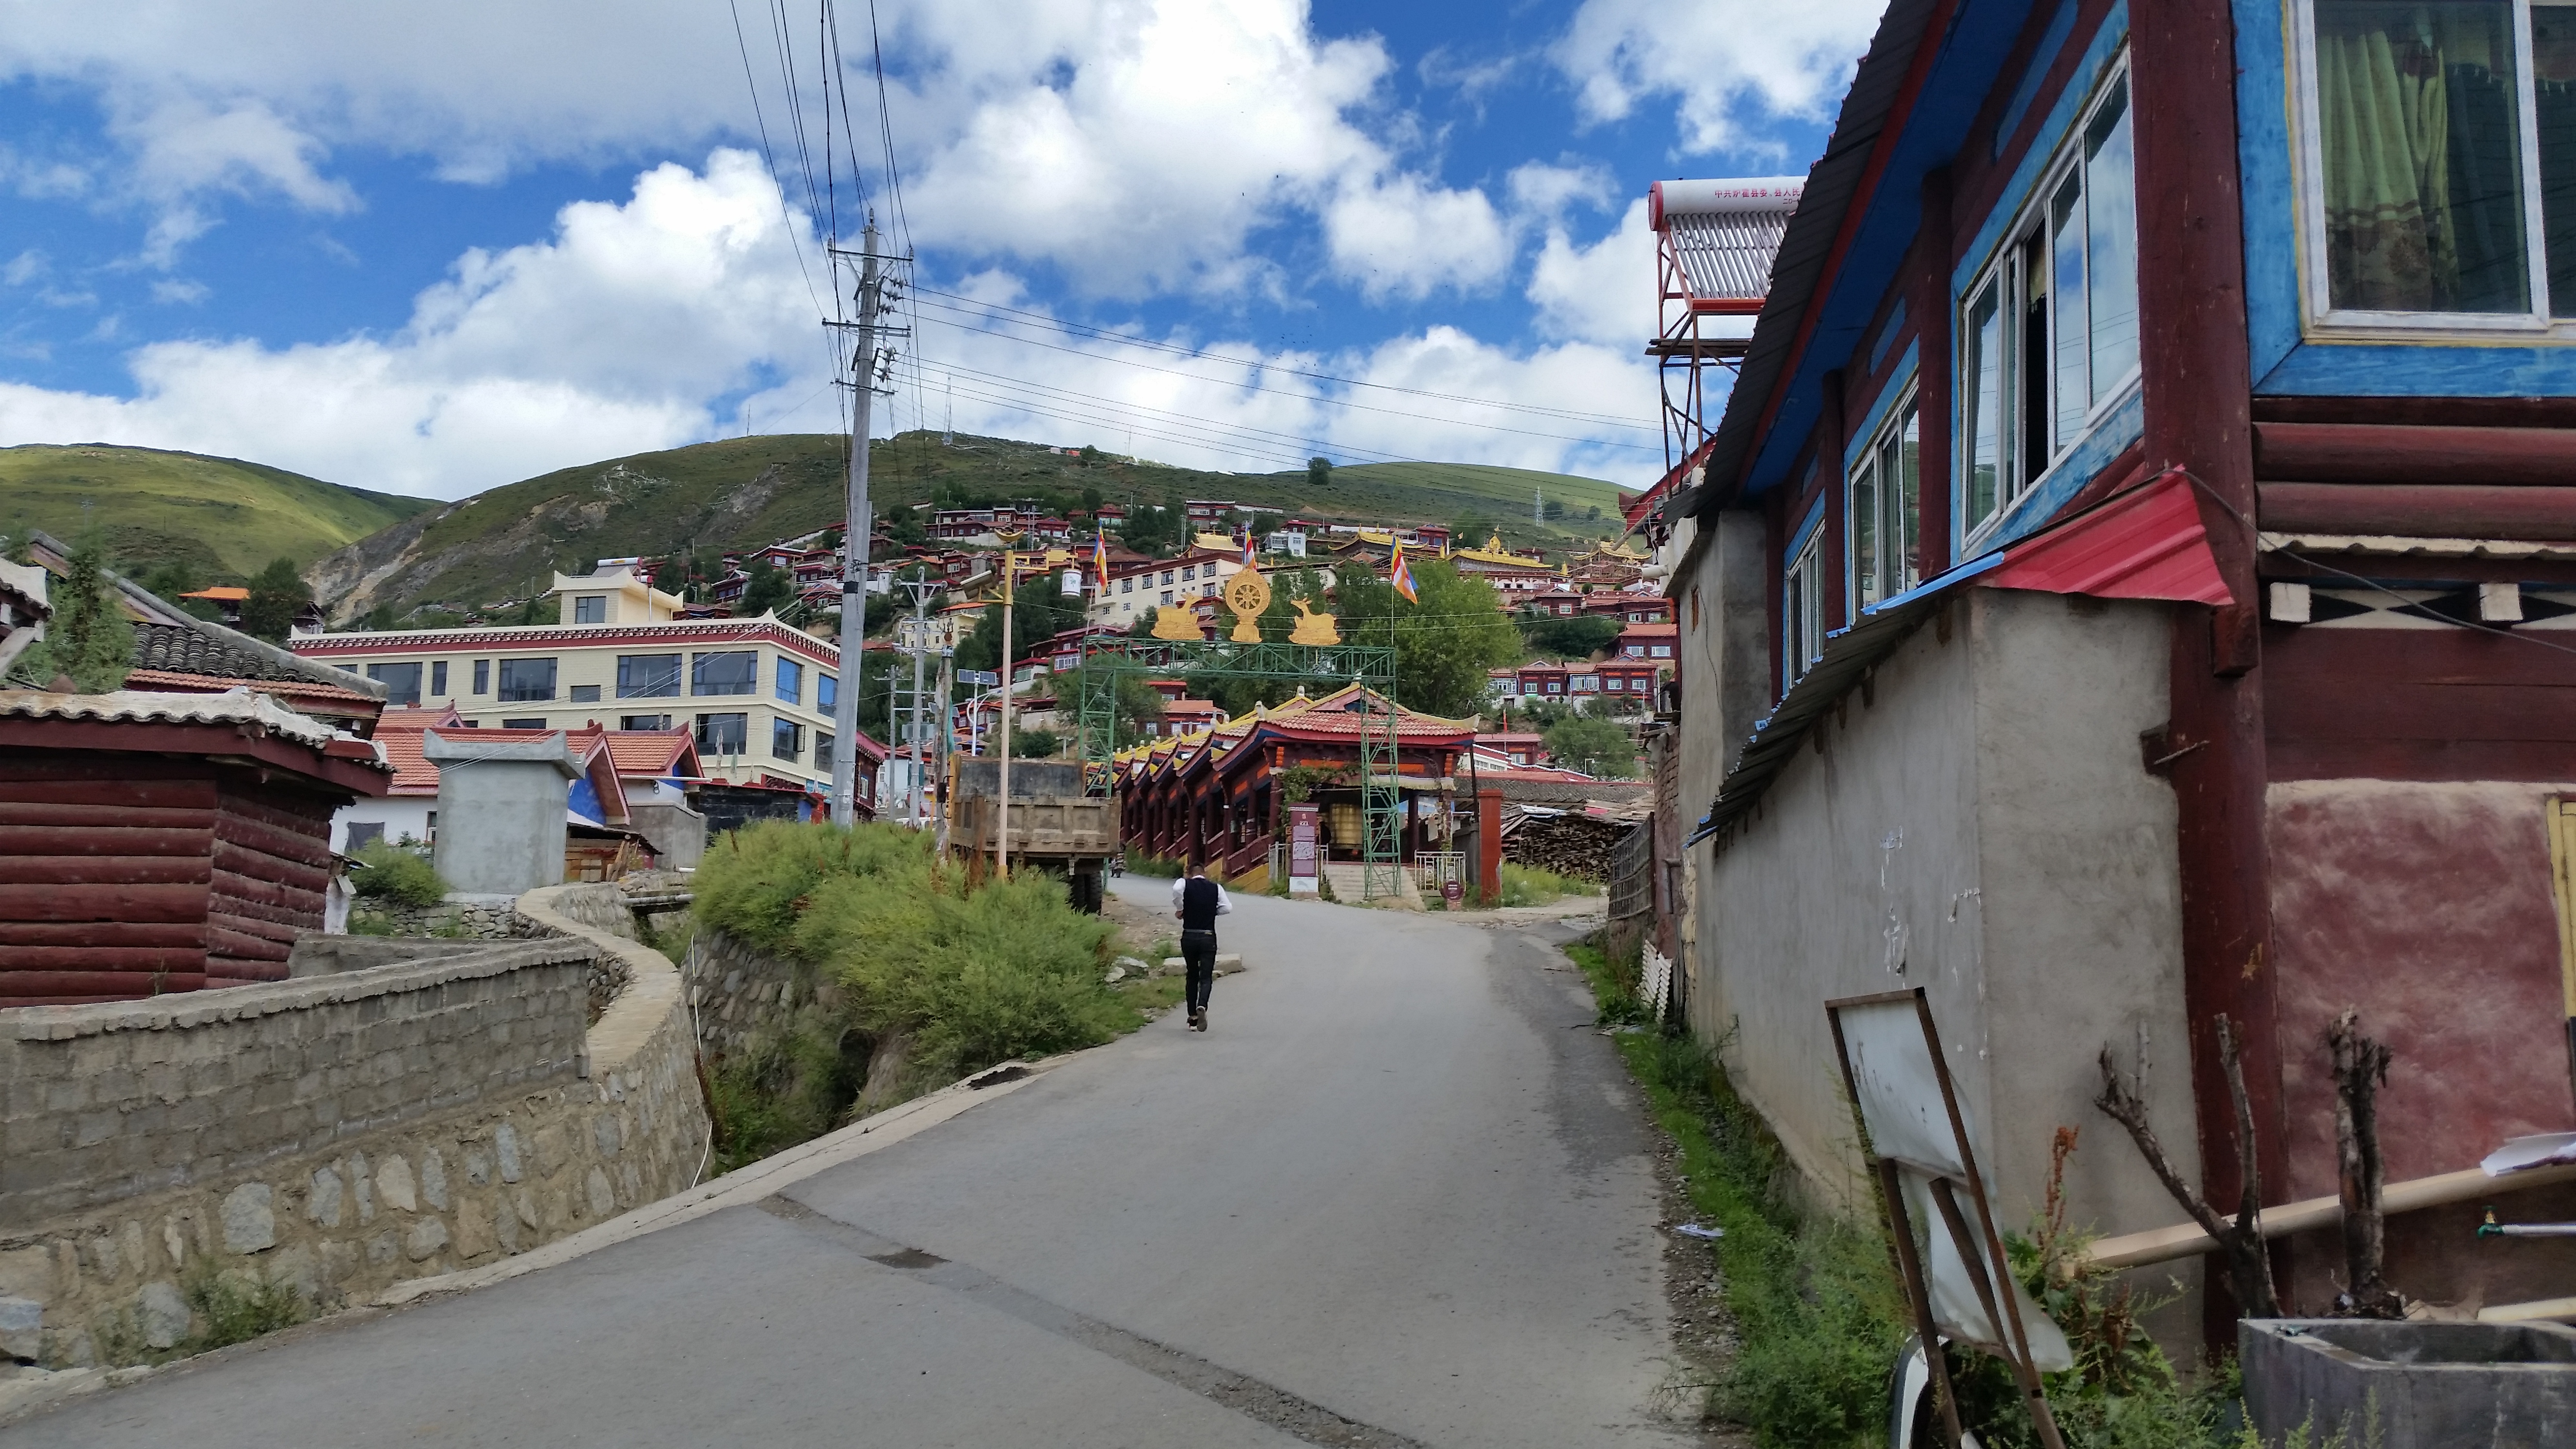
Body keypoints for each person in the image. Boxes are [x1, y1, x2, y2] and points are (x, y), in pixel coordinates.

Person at [1171, 865, 1232, 1032]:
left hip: (1189, 936)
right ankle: (1202, 1005)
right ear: (1204, 873)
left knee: (1192, 975)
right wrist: (1211, 911)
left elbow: (1176, 889)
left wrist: (1180, 909)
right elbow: (1228, 908)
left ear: (1189, 873)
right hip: (1208, 937)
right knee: (1206, 977)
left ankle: (1192, 1018)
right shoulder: (1216, 888)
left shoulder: (1184, 884)